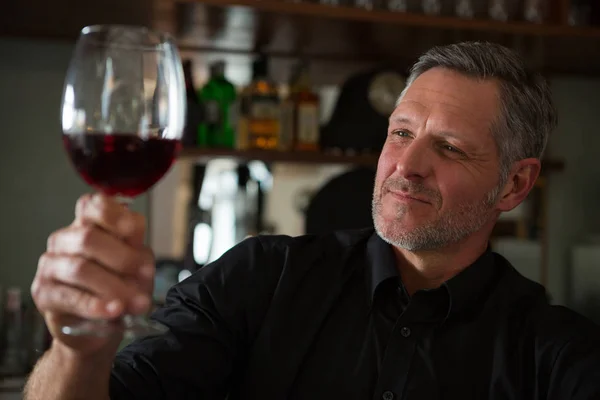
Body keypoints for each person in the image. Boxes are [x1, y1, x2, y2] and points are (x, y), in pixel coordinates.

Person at [24, 42, 600, 400]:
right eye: (400, 132)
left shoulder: (556, 352)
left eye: (449, 147)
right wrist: (78, 348)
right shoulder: (259, 279)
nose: (407, 165)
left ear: (516, 184)